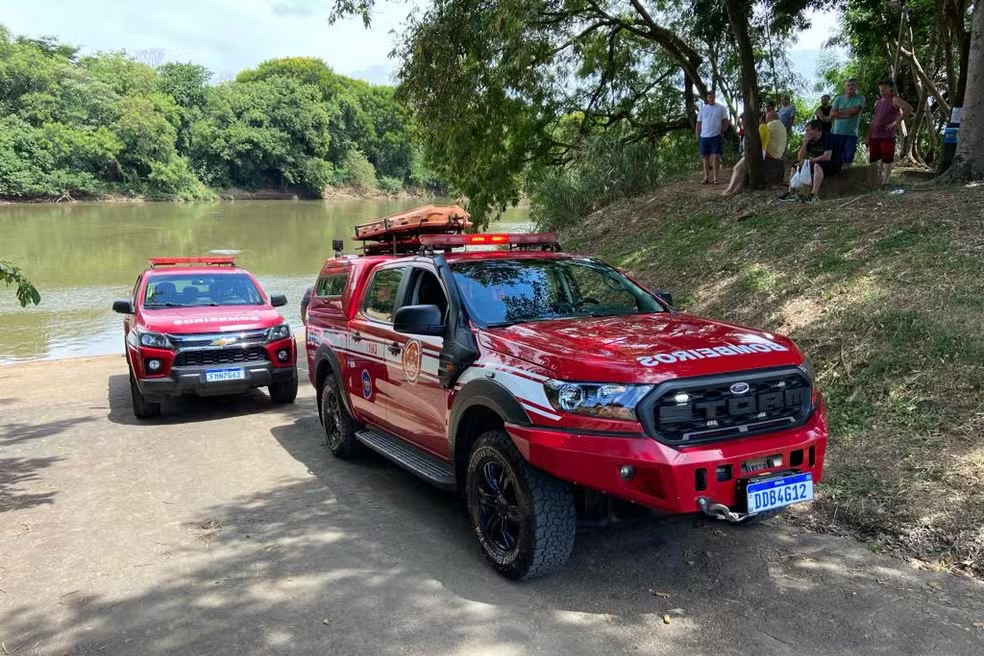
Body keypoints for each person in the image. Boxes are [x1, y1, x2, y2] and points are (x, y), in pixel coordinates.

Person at [722, 110, 788, 196]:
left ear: (771, 117)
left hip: (767, 155)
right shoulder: (781, 126)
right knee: (742, 168)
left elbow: (757, 144)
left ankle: (729, 190)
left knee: (737, 168)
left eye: (767, 118)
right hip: (776, 155)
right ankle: (737, 189)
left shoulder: (767, 126)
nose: (766, 120)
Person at [778, 119, 842, 204]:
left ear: (816, 129)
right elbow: (800, 157)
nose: (806, 133)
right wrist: (805, 143)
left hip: (833, 163)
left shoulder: (828, 137)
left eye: (808, 130)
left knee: (817, 165)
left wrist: (809, 162)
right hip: (818, 163)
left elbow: (827, 156)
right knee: (796, 165)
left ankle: (814, 195)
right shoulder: (810, 140)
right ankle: (791, 193)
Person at [868, 77, 913, 186]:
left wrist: (895, 122)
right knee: (874, 159)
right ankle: (875, 181)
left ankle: (886, 182)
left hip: (887, 135)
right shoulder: (878, 102)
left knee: (887, 158)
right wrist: (868, 136)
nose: (882, 88)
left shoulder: (894, 99)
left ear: (890, 88)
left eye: (885, 86)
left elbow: (909, 108)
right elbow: (874, 120)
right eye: (881, 86)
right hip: (874, 135)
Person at [696, 91, 729, 184]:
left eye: (713, 97)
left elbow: (726, 121)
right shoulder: (703, 109)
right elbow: (698, 123)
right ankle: (706, 177)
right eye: (709, 97)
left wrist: (723, 131)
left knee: (716, 157)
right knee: (705, 157)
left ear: (715, 97)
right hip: (704, 136)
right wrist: (697, 135)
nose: (711, 99)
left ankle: (715, 178)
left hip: (715, 136)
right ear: (707, 98)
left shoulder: (721, 108)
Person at [829, 78, 865, 165]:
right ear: (845, 87)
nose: (850, 87)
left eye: (852, 85)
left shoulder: (860, 98)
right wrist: (847, 114)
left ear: (856, 87)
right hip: (836, 132)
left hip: (851, 133)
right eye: (848, 85)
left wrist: (839, 112)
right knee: (835, 156)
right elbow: (832, 114)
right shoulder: (838, 99)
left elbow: (855, 111)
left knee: (848, 157)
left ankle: (846, 175)